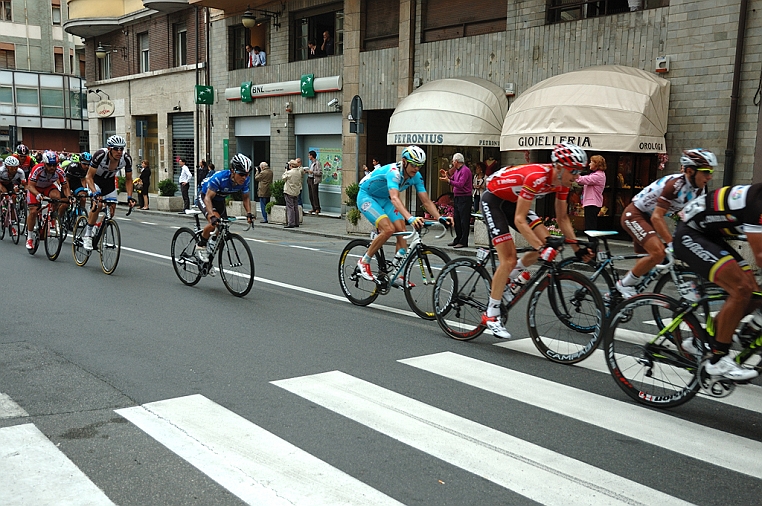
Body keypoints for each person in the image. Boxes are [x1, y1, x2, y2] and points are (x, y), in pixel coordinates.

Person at [479, 143, 592, 339]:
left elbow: (563, 218)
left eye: (579, 172)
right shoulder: (537, 177)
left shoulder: (562, 183)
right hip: (493, 200)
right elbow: (520, 220)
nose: (576, 176)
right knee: (508, 259)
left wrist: (577, 249)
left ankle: (508, 280)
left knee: (548, 245)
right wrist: (542, 246)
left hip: (513, 201)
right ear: (558, 167)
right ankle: (491, 314)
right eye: (573, 171)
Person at [673, 183, 762, 380]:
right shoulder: (759, 203)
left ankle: (703, 339)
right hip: (689, 234)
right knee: (741, 289)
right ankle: (718, 359)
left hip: (710, 236)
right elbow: (760, 256)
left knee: (755, 295)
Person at [617, 149, 715, 299]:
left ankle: (616, 299)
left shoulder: (698, 190)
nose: (710, 176)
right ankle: (623, 285)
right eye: (706, 171)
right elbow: (657, 217)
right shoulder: (675, 185)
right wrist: (671, 242)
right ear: (690, 171)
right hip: (635, 214)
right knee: (658, 253)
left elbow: (690, 218)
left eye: (711, 171)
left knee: (647, 265)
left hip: (647, 220)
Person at [355, 145, 452, 285]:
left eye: (419, 166)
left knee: (402, 230)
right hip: (367, 196)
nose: (416, 168)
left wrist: (440, 217)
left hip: (384, 199)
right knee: (388, 229)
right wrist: (410, 217)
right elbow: (395, 198)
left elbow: (426, 200)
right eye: (414, 165)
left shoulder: (416, 176)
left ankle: (397, 274)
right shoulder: (394, 173)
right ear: (404, 161)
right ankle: (364, 261)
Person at [195, 153, 254, 263]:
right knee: (215, 223)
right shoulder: (220, 178)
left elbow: (245, 198)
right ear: (233, 171)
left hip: (219, 200)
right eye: (241, 174)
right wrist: (212, 216)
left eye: (247, 174)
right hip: (205, 196)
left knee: (222, 229)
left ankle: (208, 260)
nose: (244, 177)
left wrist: (249, 213)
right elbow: (208, 198)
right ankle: (201, 245)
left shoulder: (245, 181)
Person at [82, 135, 135, 251]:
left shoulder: (126, 159)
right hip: (95, 180)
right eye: (116, 148)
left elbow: (129, 179)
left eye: (122, 149)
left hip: (109, 182)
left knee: (111, 211)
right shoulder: (100, 155)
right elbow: (89, 177)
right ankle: (87, 235)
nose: (119, 152)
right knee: (98, 205)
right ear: (109, 148)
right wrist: (95, 193)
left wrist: (130, 196)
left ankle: (97, 226)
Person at [25, 150, 71, 250]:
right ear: (44, 163)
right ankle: (29, 237)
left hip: (48, 187)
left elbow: (65, 187)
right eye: (49, 165)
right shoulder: (37, 169)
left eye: (55, 165)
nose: (52, 168)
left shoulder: (59, 171)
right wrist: (37, 195)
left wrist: (69, 197)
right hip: (35, 188)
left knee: (57, 198)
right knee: (33, 211)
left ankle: (52, 215)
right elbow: (30, 186)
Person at [440, 153, 472, 248]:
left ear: (456, 161)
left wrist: (448, 181)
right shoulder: (457, 171)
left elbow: (460, 184)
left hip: (465, 197)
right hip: (457, 197)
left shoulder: (465, 171)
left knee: (463, 220)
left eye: (453, 161)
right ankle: (458, 239)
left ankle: (463, 241)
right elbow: (452, 179)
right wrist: (446, 176)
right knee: (457, 219)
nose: (452, 163)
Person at [576, 154, 607, 233]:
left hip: (592, 204)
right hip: (592, 203)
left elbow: (582, 180)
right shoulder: (597, 174)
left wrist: (573, 173)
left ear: (596, 164)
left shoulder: (598, 176)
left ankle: (592, 243)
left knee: (590, 227)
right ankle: (592, 243)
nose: (589, 164)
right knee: (589, 226)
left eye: (591, 162)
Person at [282, 159, 303, 228]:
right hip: (296, 191)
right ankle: (296, 222)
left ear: (291, 165)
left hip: (289, 191)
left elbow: (283, 178)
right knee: (295, 207)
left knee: (290, 207)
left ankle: (291, 223)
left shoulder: (289, 173)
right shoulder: (299, 172)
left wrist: (286, 171)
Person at [306, 150, 322, 215]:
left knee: (314, 194)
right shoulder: (311, 163)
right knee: (310, 195)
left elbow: (320, 172)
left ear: (312, 156)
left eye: (309, 155)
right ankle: (313, 207)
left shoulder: (317, 163)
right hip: (309, 178)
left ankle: (317, 208)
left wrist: (312, 172)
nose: (308, 156)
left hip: (314, 179)